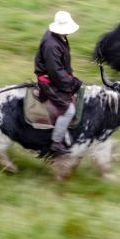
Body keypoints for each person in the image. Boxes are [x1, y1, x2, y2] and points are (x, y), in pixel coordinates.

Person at [33, 11, 83, 154]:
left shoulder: (56, 36)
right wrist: (72, 83)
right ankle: (56, 141)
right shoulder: (52, 46)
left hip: (55, 75)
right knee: (69, 110)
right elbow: (56, 72)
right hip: (49, 80)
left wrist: (72, 80)